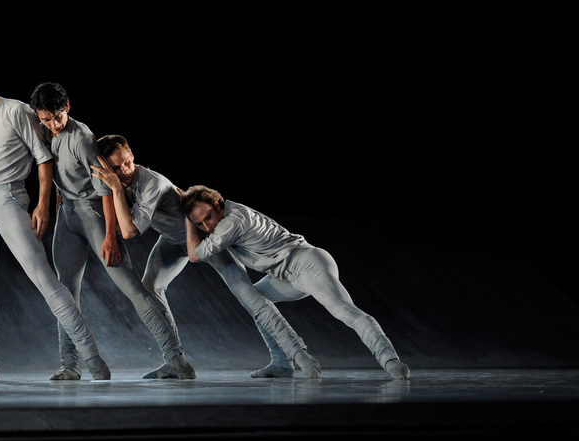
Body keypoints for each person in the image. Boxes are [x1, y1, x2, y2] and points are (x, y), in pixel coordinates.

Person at [92, 135, 322, 379]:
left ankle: (300, 356)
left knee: (247, 295)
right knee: (150, 288)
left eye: (127, 162)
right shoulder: (117, 182)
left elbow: (128, 232)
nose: (124, 170)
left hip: (202, 237)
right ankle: (176, 361)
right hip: (172, 240)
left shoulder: (152, 183)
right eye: (116, 167)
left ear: (132, 156)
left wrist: (116, 186)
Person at [0, 72, 111, 381]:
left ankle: (93, 359)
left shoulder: (17, 111)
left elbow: (43, 158)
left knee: (45, 280)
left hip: (9, 198)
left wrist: (43, 204)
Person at [29, 83, 195, 380]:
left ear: (67, 107)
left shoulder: (81, 139)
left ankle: (177, 361)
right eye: (45, 118)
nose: (53, 124)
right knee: (64, 292)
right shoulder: (44, 132)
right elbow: (56, 178)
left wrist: (109, 236)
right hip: (67, 217)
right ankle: (70, 365)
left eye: (57, 116)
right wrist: (53, 211)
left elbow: (106, 189)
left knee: (133, 288)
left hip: (93, 215)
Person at [182, 185, 411, 380]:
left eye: (208, 217)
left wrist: (188, 222)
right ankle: (282, 363)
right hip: (285, 276)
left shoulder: (231, 222)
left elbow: (195, 255)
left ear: (219, 206)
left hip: (307, 263)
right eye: (200, 223)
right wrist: (192, 212)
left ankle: (390, 360)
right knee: (257, 304)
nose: (207, 226)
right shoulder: (226, 216)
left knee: (343, 310)